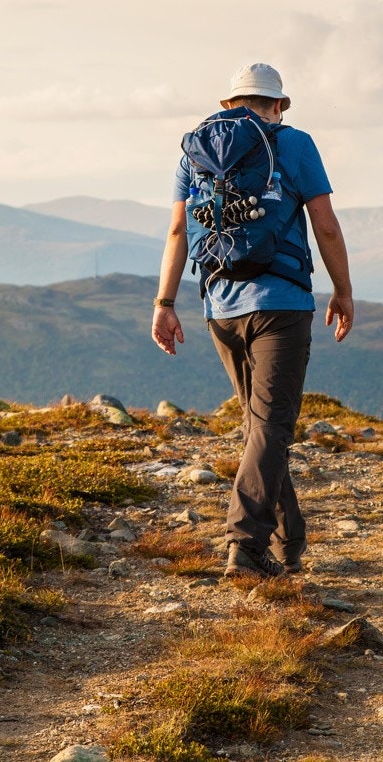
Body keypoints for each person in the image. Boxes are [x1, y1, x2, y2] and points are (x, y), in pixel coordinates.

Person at [151, 62, 355, 578]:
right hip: (281, 305)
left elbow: (178, 231)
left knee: (260, 426)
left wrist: (165, 304)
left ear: (229, 104)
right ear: (279, 105)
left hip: (220, 306)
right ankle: (244, 547)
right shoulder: (295, 144)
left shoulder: (194, 152)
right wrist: (344, 291)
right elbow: (325, 226)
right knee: (270, 425)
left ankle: (289, 541)